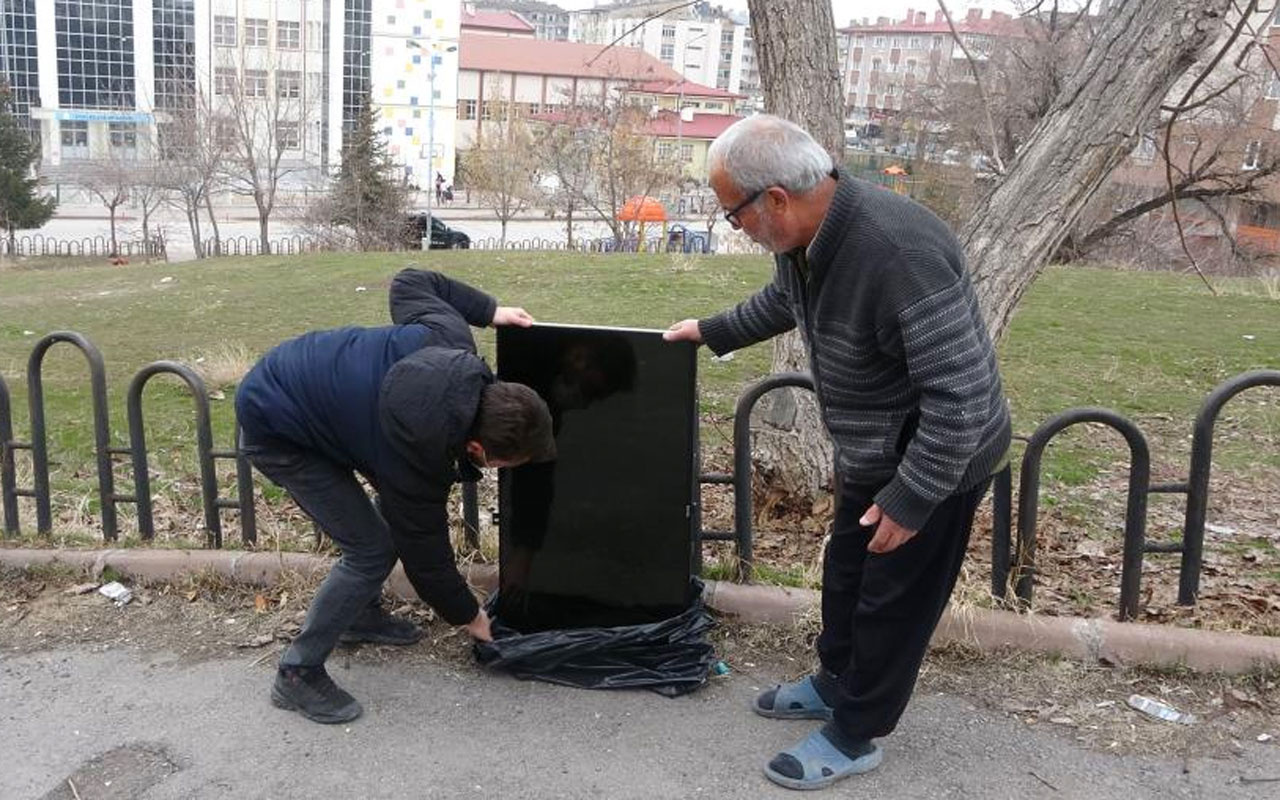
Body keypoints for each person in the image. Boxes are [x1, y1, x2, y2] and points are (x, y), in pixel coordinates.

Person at [664, 115, 1011, 791]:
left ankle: (856, 733)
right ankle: (832, 682)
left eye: (730, 211)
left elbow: (961, 399)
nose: (730, 224)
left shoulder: (896, 250)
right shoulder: (807, 242)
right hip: (875, 443)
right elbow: (784, 301)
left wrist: (913, 499)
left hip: (936, 454)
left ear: (775, 200)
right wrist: (709, 332)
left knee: (893, 601)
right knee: (847, 574)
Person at [235, 269, 556, 725]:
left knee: (384, 526)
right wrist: (471, 617)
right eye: (506, 465)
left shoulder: (452, 340)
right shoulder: (413, 465)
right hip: (277, 424)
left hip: (316, 387)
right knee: (371, 550)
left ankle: (359, 616)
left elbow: (412, 282)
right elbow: (427, 559)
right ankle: (297, 672)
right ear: (477, 449)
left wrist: (489, 312)